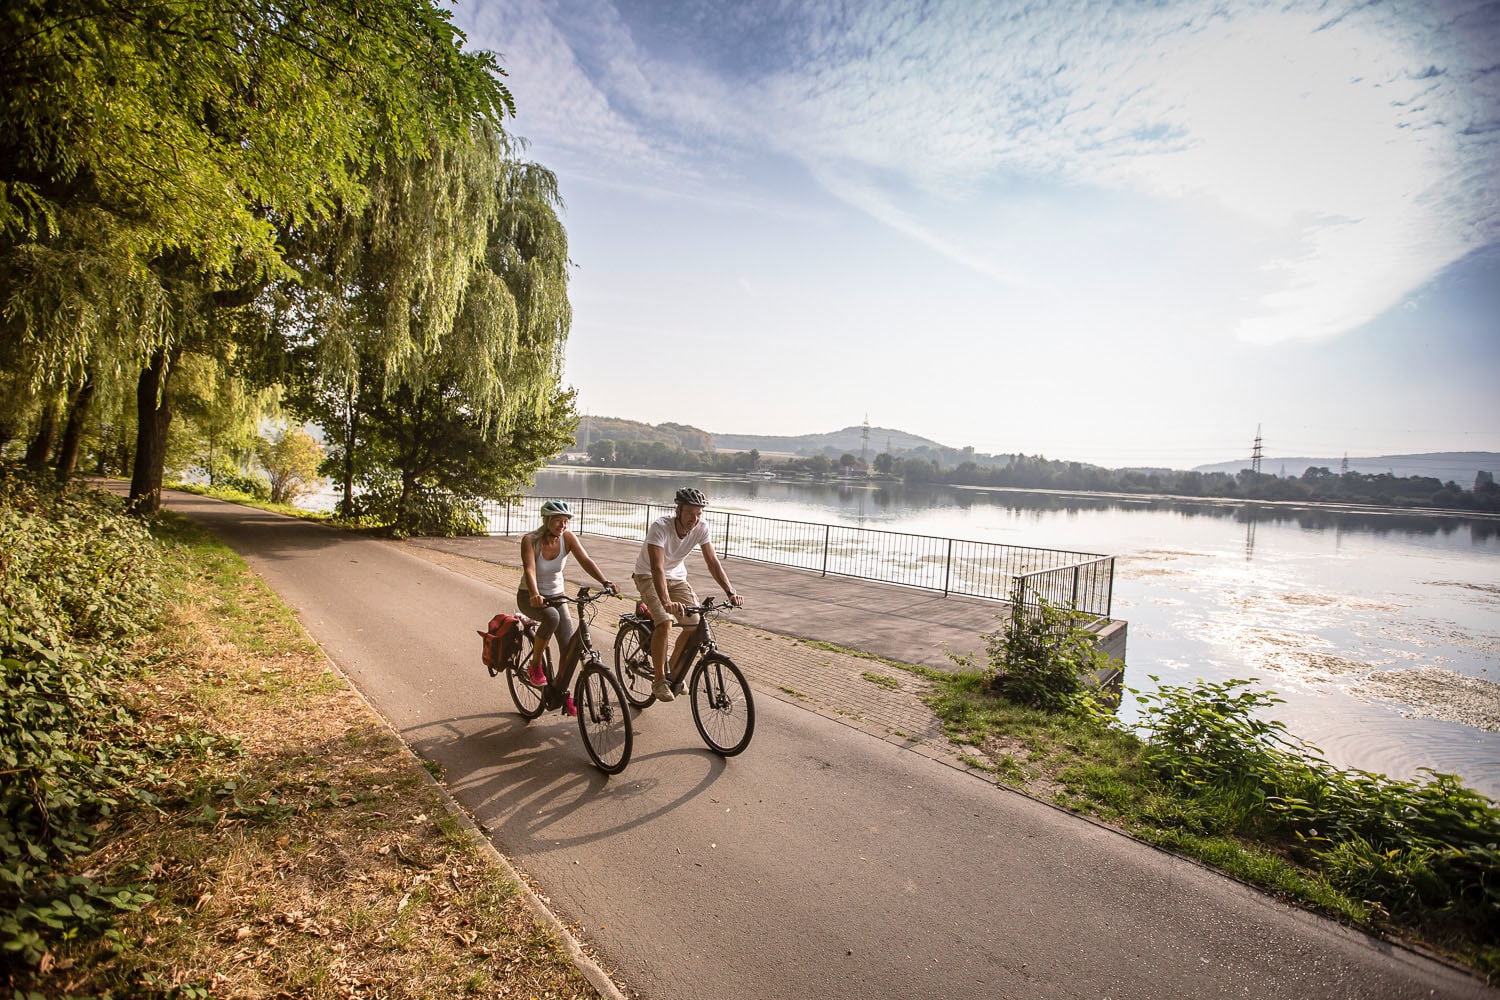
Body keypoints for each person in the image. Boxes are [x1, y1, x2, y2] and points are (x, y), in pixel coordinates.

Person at [632, 487, 744, 702]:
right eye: (690, 513)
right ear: (678, 510)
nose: (695, 518)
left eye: (699, 514)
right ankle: (659, 680)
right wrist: (666, 602)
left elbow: (712, 562)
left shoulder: (701, 527)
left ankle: (673, 671)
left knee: (693, 624)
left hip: (677, 578)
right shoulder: (660, 527)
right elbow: (657, 567)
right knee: (664, 622)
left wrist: (730, 592)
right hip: (647, 575)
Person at [517, 499, 614, 715]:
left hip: (557, 595)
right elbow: (530, 570)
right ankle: (534, 666)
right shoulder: (530, 540)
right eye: (559, 521)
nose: (563, 525)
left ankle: (562, 692)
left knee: (569, 648)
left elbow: (585, 560)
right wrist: (534, 594)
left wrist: (605, 582)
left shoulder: (567, 538)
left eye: (566, 521)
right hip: (529, 596)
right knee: (551, 617)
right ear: (547, 520)